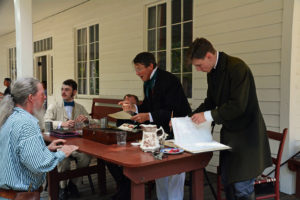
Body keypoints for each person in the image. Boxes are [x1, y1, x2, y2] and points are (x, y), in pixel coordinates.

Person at [188, 38, 272, 200]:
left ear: (209, 56)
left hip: (248, 136)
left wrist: (207, 116)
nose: (198, 69)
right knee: (228, 183)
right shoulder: (212, 72)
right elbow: (210, 102)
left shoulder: (237, 68)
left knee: (242, 188)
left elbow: (238, 105)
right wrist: (190, 118)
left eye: (199, 65)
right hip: (230, 136)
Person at [120, 52, 191, 200]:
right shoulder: (149, 82)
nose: (137, 73)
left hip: (177, 131)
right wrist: (133, 108)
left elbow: (173, 110)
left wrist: (149, 116)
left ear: (150, 66)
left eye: (139, 69)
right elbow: (147, 106)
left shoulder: (168, 80)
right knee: (159, 171)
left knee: (174, 174)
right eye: (136, 69)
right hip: (159, 134)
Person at [0, 77, 78, 200]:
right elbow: (39, 164)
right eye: (42, 94)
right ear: (31, 98)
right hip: (20, 196)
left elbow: (19, 154)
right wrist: (62, 153)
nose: (45, 97)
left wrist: (45, 149)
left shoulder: (11, 117)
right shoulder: (26, 123)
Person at [44, 79, 91, 200]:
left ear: (74, 92)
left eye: (67, 90)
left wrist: (86, 120)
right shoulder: (54, 106)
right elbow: (46, 122)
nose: (63, 92)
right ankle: (63, 187)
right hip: (59, 143)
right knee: (63, 160)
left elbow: (92, 121)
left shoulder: (80, 107)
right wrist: (61, 123)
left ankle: (73, 185)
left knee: (86, 157)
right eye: (62, 89)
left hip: (77, 143)